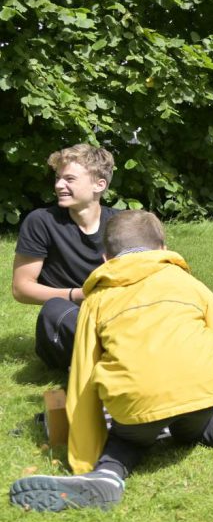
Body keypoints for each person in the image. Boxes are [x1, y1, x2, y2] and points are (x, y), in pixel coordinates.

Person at [9, 211, 213, 512]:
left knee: (127, 436)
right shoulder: (191, 284)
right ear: (162, 249)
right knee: (206, 423)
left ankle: (105, 474)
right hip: (202, 395)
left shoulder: (97, 301)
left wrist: (84, 460)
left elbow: (84, 378)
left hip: (136, 407)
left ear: (106, 259)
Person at [12, 144, 119, 370]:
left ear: (99, 185)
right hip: (72, 317)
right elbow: (22, 288)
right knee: (54, 311)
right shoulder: (41, 222)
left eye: (69, 179)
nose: (59, 185)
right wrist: (78, 295)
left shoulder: (123, 224)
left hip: (117, 312)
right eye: (58, 178)